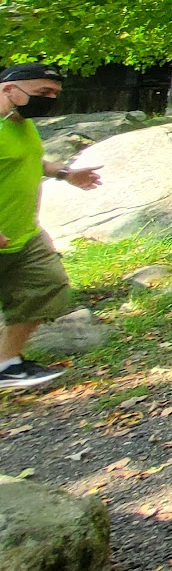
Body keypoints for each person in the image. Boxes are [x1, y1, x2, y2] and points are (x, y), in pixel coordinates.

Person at [0, 63, 102, 393]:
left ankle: (6, 364)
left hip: (24, 234)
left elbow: (29, 159)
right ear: (8, 89)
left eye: (55, 94)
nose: (50, 99)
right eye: (43, 92)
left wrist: (65, 174)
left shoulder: (19, 123)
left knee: (47, 287)